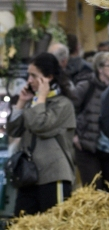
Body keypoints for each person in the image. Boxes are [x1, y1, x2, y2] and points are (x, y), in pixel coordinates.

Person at [6, 52, 76, 216]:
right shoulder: (35, 103)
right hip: (29, 175)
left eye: (33, 76)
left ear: (49, 77)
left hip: (53, 175)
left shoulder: (63, 104)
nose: (29, 80)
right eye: (28, 75)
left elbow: (40, 125)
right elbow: (14, 129)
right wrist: (22, 103)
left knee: (54, 228)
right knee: (21, 226)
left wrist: (41, 97)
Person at [70, 51, 109, 191]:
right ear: (100, 69)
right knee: (93, 190)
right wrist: (74, 135)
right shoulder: (87, 86)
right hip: (88, 147)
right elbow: (70, 109)